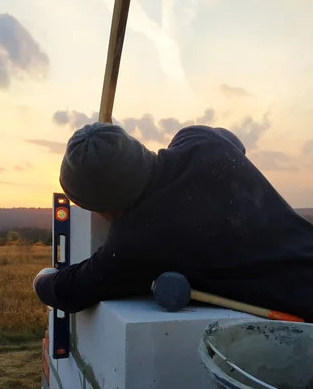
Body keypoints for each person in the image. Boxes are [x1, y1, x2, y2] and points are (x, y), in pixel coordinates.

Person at [33, 122, 313, 322]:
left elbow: (71, 290)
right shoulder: (200, 139)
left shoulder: (135, 243)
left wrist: (41, 280)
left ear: (102, 209)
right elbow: (233, 141)